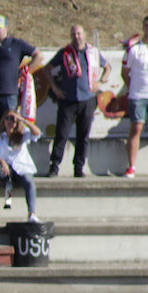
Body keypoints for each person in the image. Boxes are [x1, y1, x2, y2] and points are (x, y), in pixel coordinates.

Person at [47, 25, 111, 178]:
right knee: (61, 134)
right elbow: (46, 69)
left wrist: (101, 82)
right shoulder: (65, 53)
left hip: (87, 99)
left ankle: (78, 168)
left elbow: (107, 67)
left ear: (84, 34)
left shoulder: (93, 52)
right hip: (67, 100)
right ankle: (54, 166)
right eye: (73, 34)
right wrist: (55, 88)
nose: (77, 36)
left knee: (83, 136)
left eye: (79, 33)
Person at [0, 15, 42, 143]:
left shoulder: (16, 44)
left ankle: (11, 158)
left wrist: (26, 71)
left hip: (9, 94)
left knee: (11, 128)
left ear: (6, 28)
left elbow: (38, 55)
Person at [0, 110, 42, 221]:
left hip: (21, 167)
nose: (10, 122)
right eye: (7, 119)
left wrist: (23, 120)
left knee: (29, 182)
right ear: (3, 121)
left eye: (13, 120)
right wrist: (2, 162)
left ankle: (32, 213)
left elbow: (37, 133)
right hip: (5, 169)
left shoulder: (23, 134)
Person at [122, 16, 148, 178]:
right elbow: (125, 72)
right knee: (136, 128)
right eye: (147, 25)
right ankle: (131, 166)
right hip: (138, 95)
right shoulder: (135, 49)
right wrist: (133, 87)